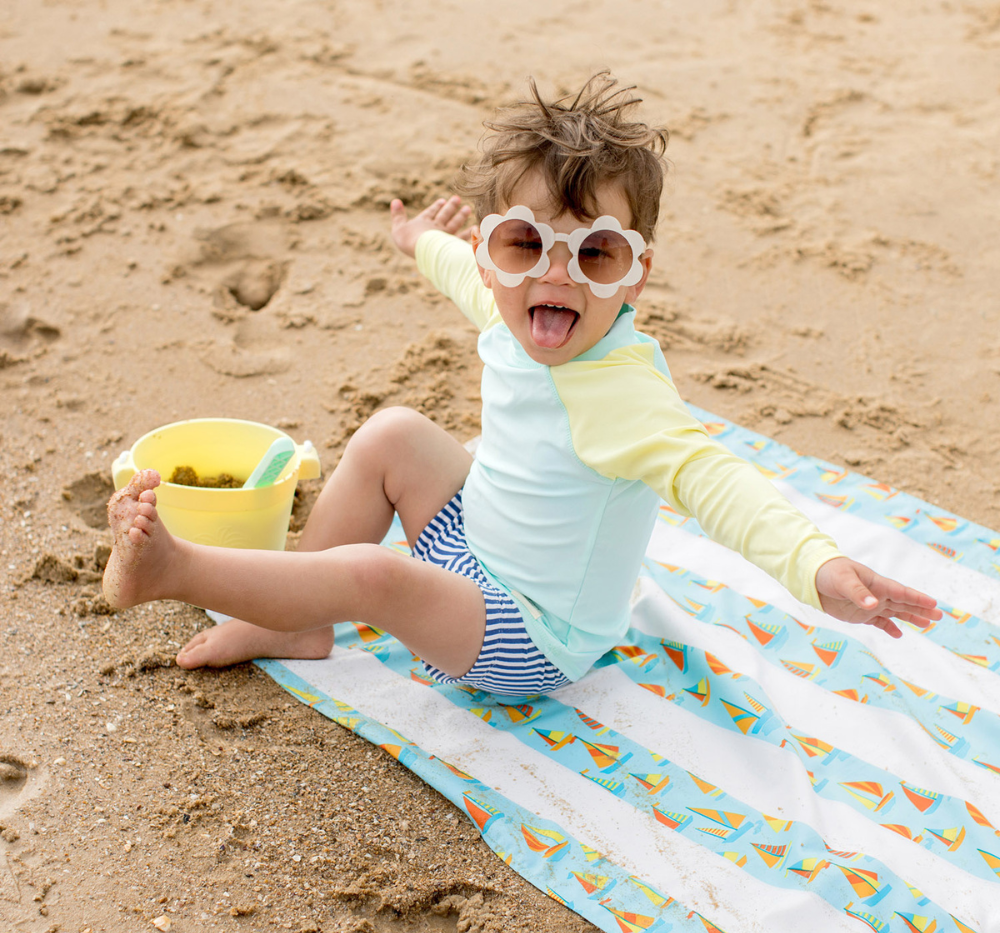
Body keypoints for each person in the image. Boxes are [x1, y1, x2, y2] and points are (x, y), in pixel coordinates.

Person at [103, 73, 940, 695]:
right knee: (393, 432)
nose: (558, 275)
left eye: (596, 253)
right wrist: (416, 243)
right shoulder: (508, 303)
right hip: (477, 542)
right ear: (491, 255)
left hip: (528, 634)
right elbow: (457, 272)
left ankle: (174, 569)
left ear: (635, 276)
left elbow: (715, 481)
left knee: (380, 575)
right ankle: (295, 622)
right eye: (524, 244)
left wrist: (818, 567)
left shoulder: (619, 394)